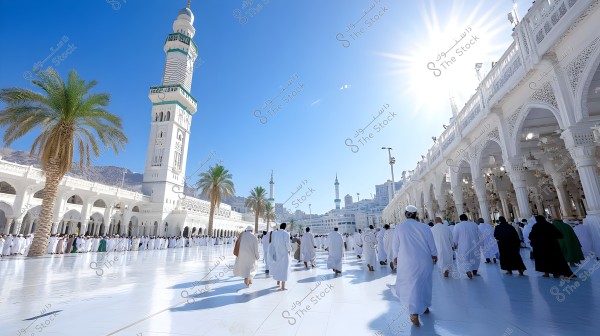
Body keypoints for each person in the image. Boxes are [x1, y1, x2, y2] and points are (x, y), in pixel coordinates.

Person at [390, 205, 437, 327]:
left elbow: (395, 245)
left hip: (407, 261)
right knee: (424, 283)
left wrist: (395, 257)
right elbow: (431, 243)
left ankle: (414, 312)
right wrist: (434, 254)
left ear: (406, 214)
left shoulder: (400, 227)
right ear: (416, 214)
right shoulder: (425, 227)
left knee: (410, 285)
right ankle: (424, 305)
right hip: (424, 260)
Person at [453, 214, 482, 279]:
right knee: (475, 258)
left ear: (460, 219)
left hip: (463, 246)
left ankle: (468, 270)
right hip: (474, 245)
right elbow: (480, 234)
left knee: (465, 258)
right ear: (467, 218)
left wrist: (454, 244)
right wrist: (481, 243)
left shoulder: (457, 226)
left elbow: (455, 237)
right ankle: (475, 271)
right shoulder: (474, 224)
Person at [268, 223, 291, 290]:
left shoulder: (275, 233)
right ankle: (283, 286)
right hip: (284, 254)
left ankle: (278, 281)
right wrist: (289, 250)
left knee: (278, 267)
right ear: (285, 227)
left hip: (276, 253)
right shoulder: (286, 234)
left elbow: (272, 243)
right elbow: (287, 244)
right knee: (284, 268)